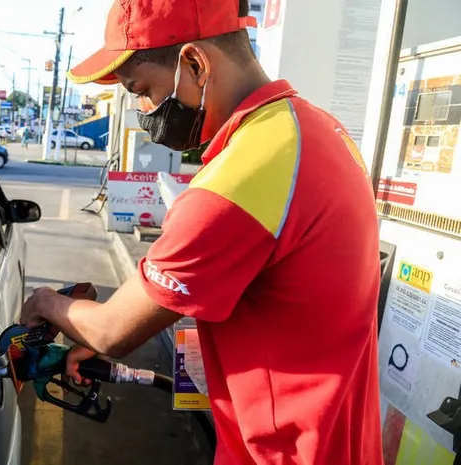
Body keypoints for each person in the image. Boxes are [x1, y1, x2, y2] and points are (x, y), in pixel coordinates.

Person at [20, 0, 384, 464]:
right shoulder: (318, 130)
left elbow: (115, 332)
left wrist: (46, 302)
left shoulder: (239, 181)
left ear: (195, 62)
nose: (145, 110)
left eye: (143, 90)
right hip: (343, 444)